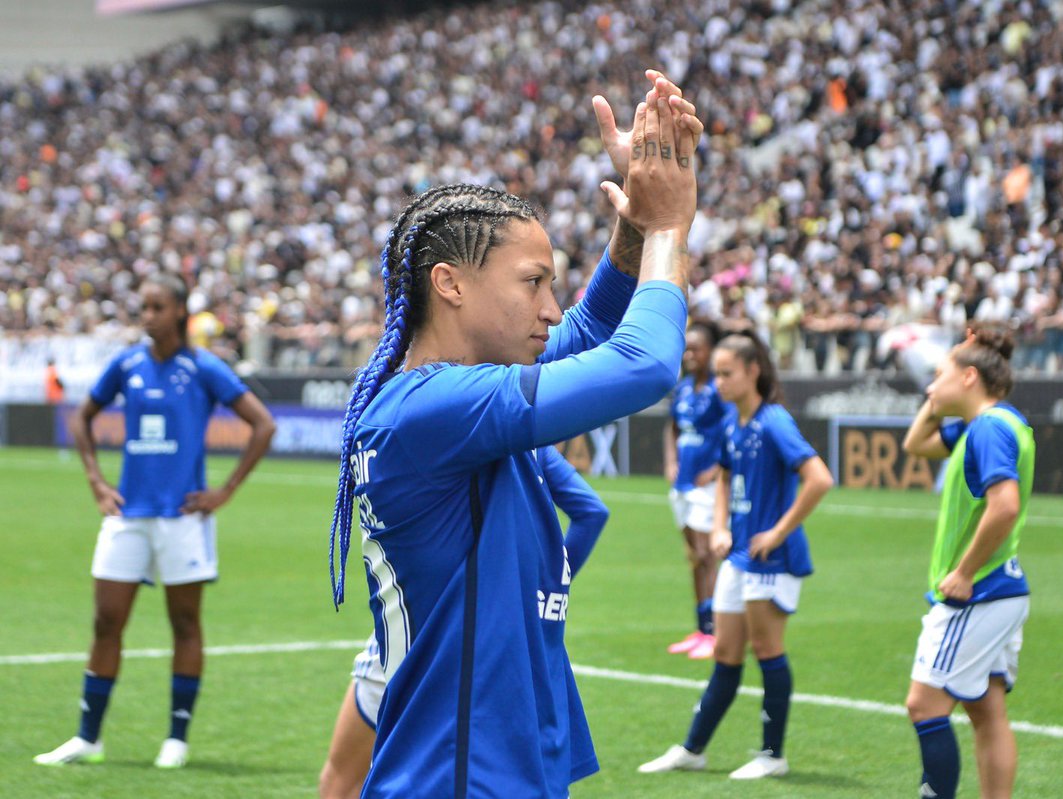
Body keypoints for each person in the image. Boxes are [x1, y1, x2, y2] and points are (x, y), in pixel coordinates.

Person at [326, 72, 702, 798]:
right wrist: (667, 230)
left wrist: (631, 224)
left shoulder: (442, 401)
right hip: (461, 780)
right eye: (533, 283)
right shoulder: (435, 411)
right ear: (452, 283)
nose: (552, 307)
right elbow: (644, 363)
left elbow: (592, 333)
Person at [34, 273, 276, 769]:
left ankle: (177, 739)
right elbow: (81, 417)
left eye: (156, 307)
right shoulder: (126, 364)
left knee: (185, 623)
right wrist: (96, 482)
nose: (147, 317)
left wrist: (224, 492)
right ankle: (88, 738)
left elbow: (263, 424)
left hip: (182, 518)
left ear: (180, 314)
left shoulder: (204, 367)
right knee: (106, 622)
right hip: (128, 514)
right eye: (143, 307)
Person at [319, 445, 610, 799]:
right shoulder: (526, 440)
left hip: (418, 633)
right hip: (505, 647)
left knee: (342, 783)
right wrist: (537, 591)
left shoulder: (446, 419)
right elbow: (591, 511)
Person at [639, 331, 833, 781]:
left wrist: (779, 531)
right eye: (719, 373)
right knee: (725, 654)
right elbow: (724, 477)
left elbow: (819, 478)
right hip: (739, 557)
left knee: (767, 650)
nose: (719, 381)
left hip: (772, 559)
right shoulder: (733, 422)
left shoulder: (774, 421)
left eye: (728, 373)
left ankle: (772, 754)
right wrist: (722, 526)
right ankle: (693, 748)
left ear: (753, 371)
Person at [899, 327, 1035, 799]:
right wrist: (942, 390)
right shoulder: (993, 424)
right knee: (987, 713)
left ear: (971, 377)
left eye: (939, 376)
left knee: (924, 705)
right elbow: (916, 443)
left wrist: (963, 572)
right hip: (1001, 590)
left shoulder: (989, 429)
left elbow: (1005, 506)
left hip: (977, 593)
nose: (930, 387)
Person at [662, 318, 725, 659]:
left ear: (711, 352)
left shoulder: (719, 389)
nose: (689, 355)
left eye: (697, 349)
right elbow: (671, 428)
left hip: (707, 486)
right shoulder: (684, 388)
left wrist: (717, 469)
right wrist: (671, 461)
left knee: (706, 555)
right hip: (683, 483)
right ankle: (701, 628)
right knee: (693, 558)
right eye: (687, 349)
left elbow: (733, 429)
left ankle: (715, 631)